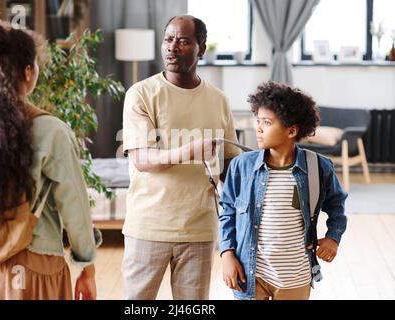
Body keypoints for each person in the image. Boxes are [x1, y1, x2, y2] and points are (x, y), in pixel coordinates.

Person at [0, 22, 97, 300]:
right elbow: (75, 206)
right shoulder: (50, 130)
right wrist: (86, 267)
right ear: (28, 71)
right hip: (35, 263)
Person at [121, 15, 241, 300]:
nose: (172, 47)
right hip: (148, 226)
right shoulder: (141, 94)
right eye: (168, 39)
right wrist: (189, 151)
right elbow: (142, 158)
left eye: (183, 41)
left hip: (200, 228)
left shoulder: (219, 100)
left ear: (201, 48)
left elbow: (230, 165)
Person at [219, 81, 348, 300]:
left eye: (267, 122)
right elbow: (227, 211)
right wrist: (226, 254)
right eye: (258, 121)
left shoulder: (318, 167)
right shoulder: (241, 167)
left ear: (291, 130)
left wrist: (333, 237)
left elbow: (337, 206)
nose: (258, 128)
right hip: (249, 272)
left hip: (295, 276)